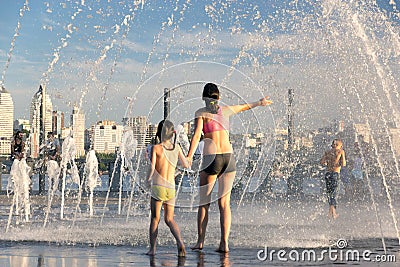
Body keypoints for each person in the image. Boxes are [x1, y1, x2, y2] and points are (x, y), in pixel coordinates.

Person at [186, 82, 273, 252]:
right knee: (224, 204)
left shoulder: (201, 113)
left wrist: (189, 156)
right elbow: (245, 107)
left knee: (204, 204)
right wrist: (260, 102)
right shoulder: (225, 110)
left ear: (203, 98)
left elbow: (197, 136)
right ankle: (224, 243)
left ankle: (200, 242)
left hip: (212, 158)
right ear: (219, 97)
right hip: (229, 158)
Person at [146, 120, 189, 256]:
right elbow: (186, 165)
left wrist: (148, 180)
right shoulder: (176, 148)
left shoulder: (156, 148)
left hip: (158, 186)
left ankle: (152, 250)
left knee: (155, 219)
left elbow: (152, 167)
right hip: (171, 188)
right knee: (170, 219)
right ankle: (180, 242)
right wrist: (177, 169)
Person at [320, 139, 346, 219]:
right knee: (335, 193)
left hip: (328, 173)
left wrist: (328, 162)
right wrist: (337, 162)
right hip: (335, 173)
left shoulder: (327, 152)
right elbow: (343, 164)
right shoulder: (341, 152)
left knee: (329, 192)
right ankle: (333, 212)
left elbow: (322, 162)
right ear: (340, 145)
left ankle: (330, 212)